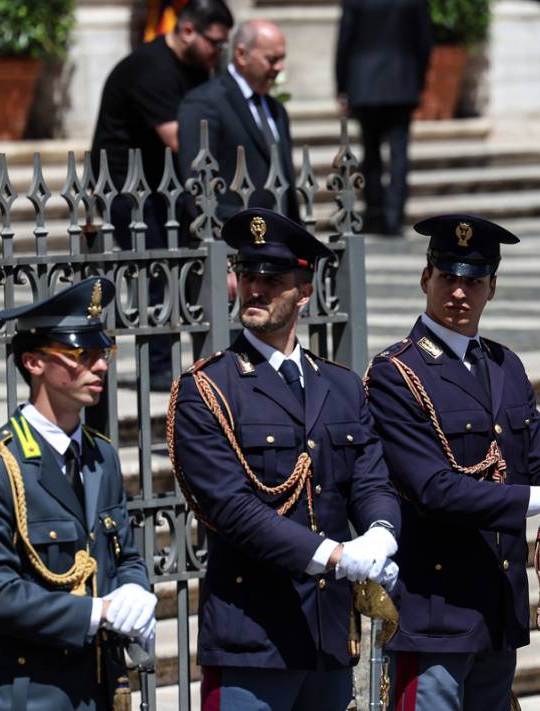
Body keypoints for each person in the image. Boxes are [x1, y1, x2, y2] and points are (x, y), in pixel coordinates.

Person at [167, 208, 400, 710]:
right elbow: (232, 509)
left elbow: (370, 478)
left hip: (327, 636)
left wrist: (382, 529)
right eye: (248, 276)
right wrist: (335, 556)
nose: (255, 290)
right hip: (252, 639)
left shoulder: (338, 384)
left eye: (272, 281)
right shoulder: (208, 390)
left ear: (305, 291)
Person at [364, 214, 540, 709]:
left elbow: (537, 453)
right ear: (425, 279)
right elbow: (434, 489)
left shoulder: (504, 364)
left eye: (473, 281)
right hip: (436, 615)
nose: (459, 293)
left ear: (492, 287)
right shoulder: (397, 373)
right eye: (448, 278)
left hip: (497, 606)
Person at [0, 276, 157, 710]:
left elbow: (124, 555)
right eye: (82, 354)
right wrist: (97, 613)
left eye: (104, 353)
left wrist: (135, 591)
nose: (100, 367)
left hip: (100, 688)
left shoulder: (102, 456)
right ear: (34, 363)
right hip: (30, 694)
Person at [92, 0, 234, 390]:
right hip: (128, 189)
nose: (218, 52)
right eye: (214, 43)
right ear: (188, 31)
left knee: (188, 272)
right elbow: (178, 138)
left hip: (168, 189)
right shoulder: (149, 67)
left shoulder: (199, 66)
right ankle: (156, 367)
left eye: (224, 45)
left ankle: (206, 358)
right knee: (154, 274)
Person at [178, 19, 301, 225]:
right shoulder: (204, 103)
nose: (279, 67)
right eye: (272, 59)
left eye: (282, 59)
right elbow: (196, 186)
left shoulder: (276, 109)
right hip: (233, 241)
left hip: (280, 241)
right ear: (241, 55)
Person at [336, 0, 433, 237]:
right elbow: (425, 41)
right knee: (399, 154)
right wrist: (417, 80)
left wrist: (342, 84)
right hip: (402, 80)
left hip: (364, 83)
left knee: (370, 153)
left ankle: (375, 213)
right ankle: (394, 216)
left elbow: (344, 40)